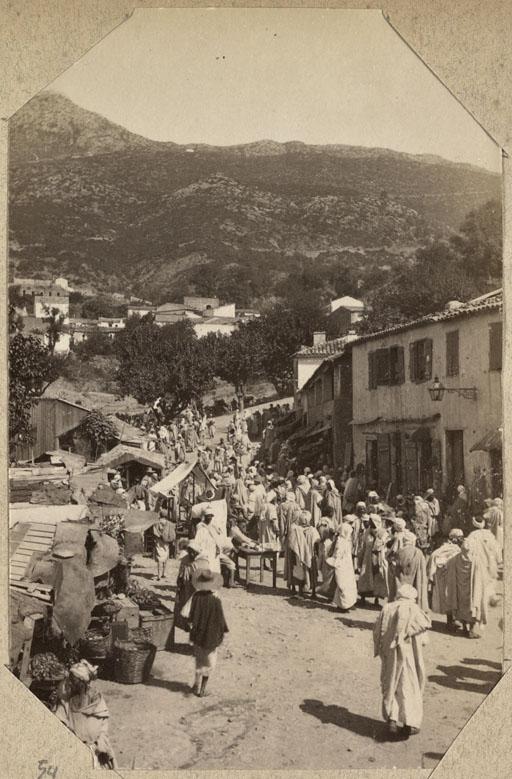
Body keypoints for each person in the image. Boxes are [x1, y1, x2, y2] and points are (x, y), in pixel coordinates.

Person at [373, 583, 431, 739]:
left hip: (391, 655)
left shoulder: (387, 608)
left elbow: (377, 631)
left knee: (392, 684)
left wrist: (382, 649)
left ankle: (392, 719)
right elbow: (424, 639)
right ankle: (408, 724)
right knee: (409, 688)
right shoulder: (415, 610)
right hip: (409, 658)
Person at [55, 660, 116, 768]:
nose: (69, 683)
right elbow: (59, 722)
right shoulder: (66, 701)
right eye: (69, 679)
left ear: (83, 682)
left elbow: (103, 729)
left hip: (96, 752)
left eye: (73, 681)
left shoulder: (96, 702)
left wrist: (97, 746)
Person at [188, 568, 229, 697]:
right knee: (209, 663)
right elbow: (220, 620)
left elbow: (191, 616)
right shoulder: (215, 601)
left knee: (199, 661)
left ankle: (196, 684)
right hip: (210, 636)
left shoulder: (196, 597)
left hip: (197, 635)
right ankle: (203, 690)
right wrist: (222, 632)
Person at [445, 536, 489, 638]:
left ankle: (464, 628)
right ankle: (471, 630)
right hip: (472, 591)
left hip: (460, 591)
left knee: (461, 607)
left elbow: (447, 567)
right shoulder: (476, 560)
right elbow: (483, 576)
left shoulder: (455, 559)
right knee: (472, 608)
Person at [426, 528, 463, 626]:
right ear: (454, 538)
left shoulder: (446, 548)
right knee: (451, 598)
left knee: (449, 598)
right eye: (459, 537)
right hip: (449, 578)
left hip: (450, 578)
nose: (461, 539)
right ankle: (451, 621)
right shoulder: (453, 549)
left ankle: (451, 621)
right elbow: (435, 558)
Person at [388, 530, 429, 612]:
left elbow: (394, 566)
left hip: (401, 580)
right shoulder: (418, 552)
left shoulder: (400, 552)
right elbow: (422, 570)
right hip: (415, 579)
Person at [467, 516, 501, 606]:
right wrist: (498, 559)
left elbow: (468, 549)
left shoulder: (472, 535)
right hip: (490, 562)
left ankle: (481, 600)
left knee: (479, 582)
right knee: (489, 580)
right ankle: (491, 597)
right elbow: (496, 548)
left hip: (478, 561)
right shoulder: (489, 534)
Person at [326, 523, 357, 611]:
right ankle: (343, 605)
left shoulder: (346, 540)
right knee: (342, 584)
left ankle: (348, 603)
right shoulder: (340, 541)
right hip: (342, 565)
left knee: (348, 583)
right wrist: (335, 562)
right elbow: (337, 554)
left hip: (347, 565)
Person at [152, 512, 176, 580]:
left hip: (159, 542)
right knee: (165, 557)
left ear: (160, 515)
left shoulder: (156, 522)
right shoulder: (169, 523)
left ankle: (159, 575)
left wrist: (159, 536)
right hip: (166, 542)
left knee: (159, 558)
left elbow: (154, 532)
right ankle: (163, 573)